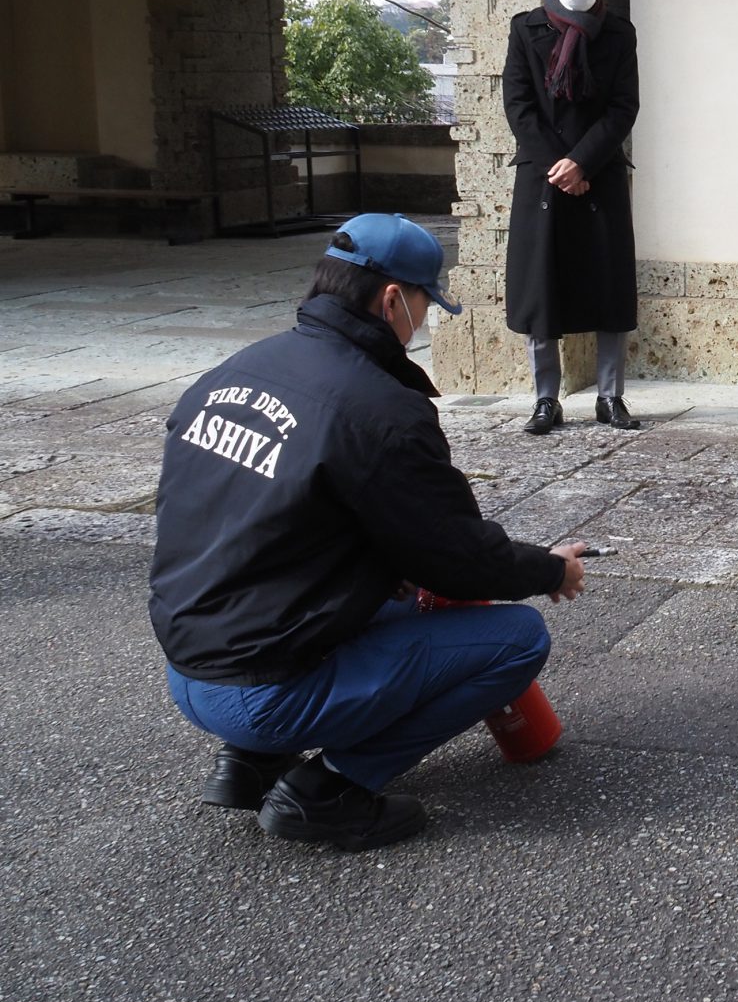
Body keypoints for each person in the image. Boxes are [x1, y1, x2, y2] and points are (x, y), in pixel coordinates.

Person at [149, 214, 588, 851]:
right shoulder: (377, 409)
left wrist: (380, 566)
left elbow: (256, 520)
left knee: (401, 597)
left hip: (188, 668)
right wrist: (551, 569)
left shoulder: (237, 370)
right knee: (517, 639)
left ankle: (249, 763)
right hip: (263, 692)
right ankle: (328, 789)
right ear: (391, 300)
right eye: (424, 303)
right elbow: (458, 559)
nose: (423, 321)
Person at [503, 0, 642, 435]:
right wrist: (559, 166)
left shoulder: (619, 33)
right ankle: (546, 399)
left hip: (598, 172)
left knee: (609, 285)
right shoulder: (525, 29)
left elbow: (623, 107)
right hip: (542, 174)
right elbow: (519, 104)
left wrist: (581, 162)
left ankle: (610, 396)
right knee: (541, 286)